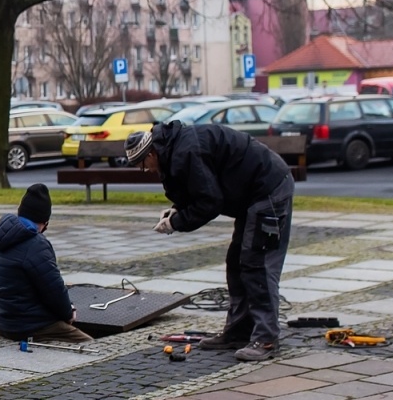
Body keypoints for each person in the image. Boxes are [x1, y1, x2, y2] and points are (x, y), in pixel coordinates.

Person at [126, 121, 294, 362]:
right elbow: (197, 187)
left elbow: (209, 202)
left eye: (143, 166)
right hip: (252, 195)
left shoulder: (185, 151)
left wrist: (177, 223)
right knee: (236, 263)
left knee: (257, 263)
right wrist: (176, 211)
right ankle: (239, 332)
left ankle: (266, 339)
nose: (147, 171)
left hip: (269, 189)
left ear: (151, 153)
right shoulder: (174, 149)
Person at [0, 184, 92, 344]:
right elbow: (53, 289)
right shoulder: (35, 244)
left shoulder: (0, 237)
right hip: (29, 325)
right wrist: (68, 313)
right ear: (44, 222)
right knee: (92, 346)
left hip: (3, 322)